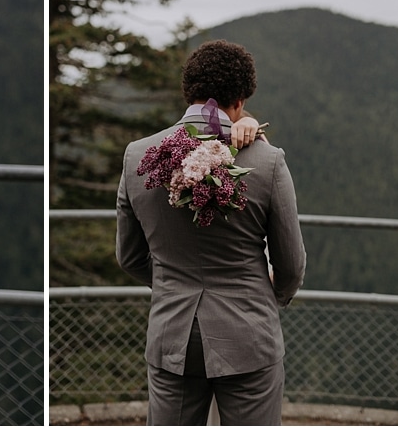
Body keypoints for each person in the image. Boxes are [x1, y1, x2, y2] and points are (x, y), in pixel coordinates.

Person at [116, 39, 304, 425]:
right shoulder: (267, 161)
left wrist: (172, 285)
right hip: (249, 332)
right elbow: (290, 263)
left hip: (171, 336)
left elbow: (130, 257)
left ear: (190, 92)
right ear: (240, 99)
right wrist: (272, 296)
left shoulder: (138, 155)